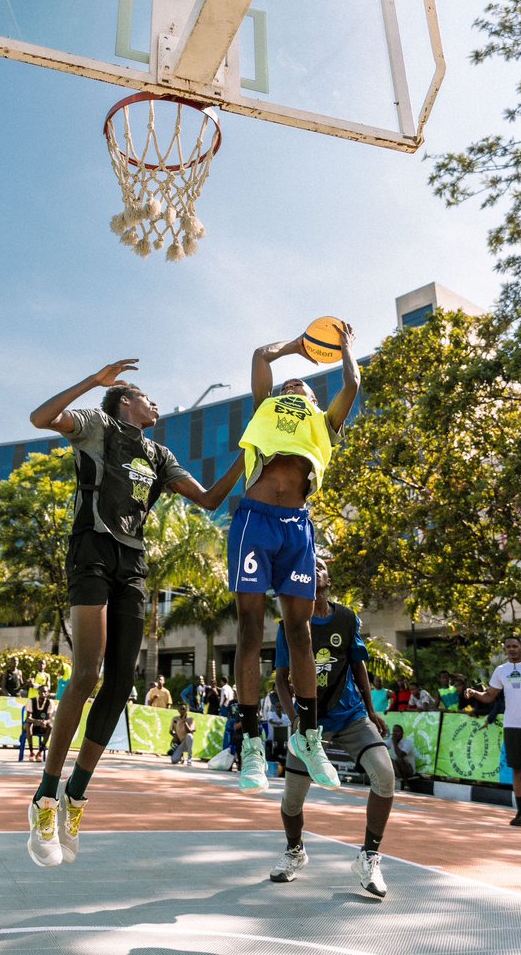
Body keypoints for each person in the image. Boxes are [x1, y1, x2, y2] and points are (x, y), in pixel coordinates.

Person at [25, 358, 244, 868]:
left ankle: (77, 795)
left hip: (133, 562)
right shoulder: (99, 427)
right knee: (85, 676)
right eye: (146, 398)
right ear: (126, 400)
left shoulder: (160, 455)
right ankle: (44, 798)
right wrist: (92, 382)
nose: (155, 404)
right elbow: (40, 418)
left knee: (121, 682)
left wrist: (247, 452)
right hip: (92, 551)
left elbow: (210, 500)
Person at [229, 324, 360, 795]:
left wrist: (344, 349)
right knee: (249, 629)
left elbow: (352, 385)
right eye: (288, 384)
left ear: (310, 394)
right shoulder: (266, 407)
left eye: (299, 384)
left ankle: (308, 735)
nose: (291, 386)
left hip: (296, 528)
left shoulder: (324, 421)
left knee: (299, 634)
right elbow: (261, 355)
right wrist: (297, 347)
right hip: (254, 520)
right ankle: (250, 743)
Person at [272, 556, 392, 897]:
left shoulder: (346, 618)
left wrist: (370, 710)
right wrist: (296, 720)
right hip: (310, 722)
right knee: (292, 802)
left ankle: (369, 857)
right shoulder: (290, 625)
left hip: (351, 715)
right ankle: (295, 851)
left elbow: (358, 668)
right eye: (308, 566)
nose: (314, 569)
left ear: (328, 578)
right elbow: (281, 681)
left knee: (385, 775)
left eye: (320, 565)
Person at [465, 636, 521, 827]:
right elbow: (490, 696)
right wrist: (474, 693)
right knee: (517, 769)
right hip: (511, 726)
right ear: (505, 650)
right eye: (508, 647)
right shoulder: (501, 671)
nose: (512, 649)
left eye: (515, 646)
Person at [25, 686, 54, 761]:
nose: (43, 693)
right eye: (42, 691)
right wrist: (37, 722)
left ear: (48, 693)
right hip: (33, 725)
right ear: (38, 692)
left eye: (45, 692)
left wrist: (45, 722)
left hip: (42, 727)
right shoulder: (31, 701)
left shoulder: (50, 702)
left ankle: (40, 752)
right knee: (28, 725)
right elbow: (28, 718)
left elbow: (49, 718)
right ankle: (31, 752)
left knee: (50, 727)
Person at [385, 724, 416, 788]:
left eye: (397, 731)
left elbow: (400, 754)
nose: (395, 733)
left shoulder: (407, 743)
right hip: (398, 770)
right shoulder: (391, 741)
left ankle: (406, 784)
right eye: (394, 731)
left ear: (402, 733)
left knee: (399, 759)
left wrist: (395, 742)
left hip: (409, 772)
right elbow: (381, 745)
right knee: (386, 758)